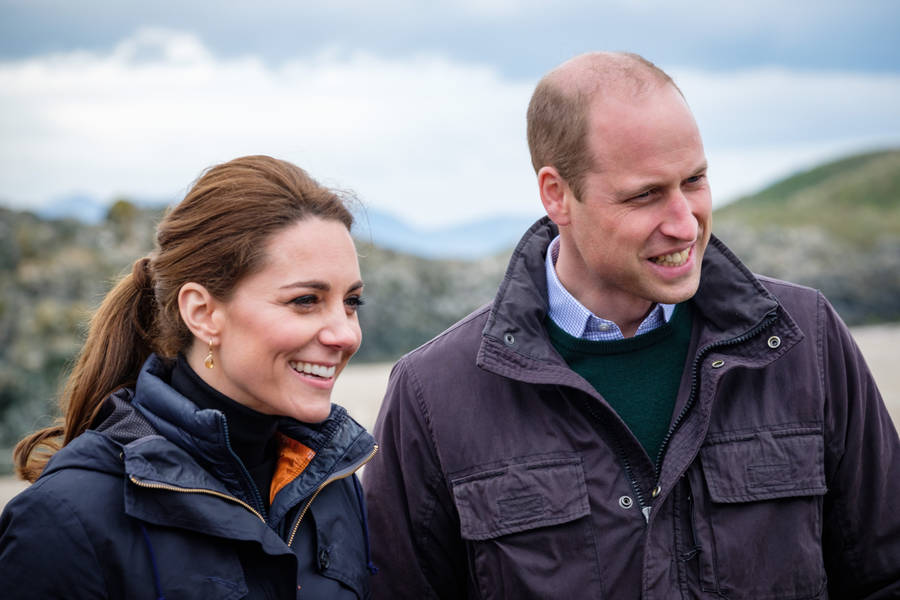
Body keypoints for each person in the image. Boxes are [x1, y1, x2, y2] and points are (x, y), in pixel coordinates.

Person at [362, 52, 900, 598]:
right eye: (645, 194)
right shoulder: (432, 393)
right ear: (556, 194)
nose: (684, 223)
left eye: (694, 180)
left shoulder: (804, 337)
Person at [0, 155, 377, 598]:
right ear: (202, 313)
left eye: (352, 302)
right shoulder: (65, 520)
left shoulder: (331, 483)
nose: (345, 334)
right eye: (306, 300)